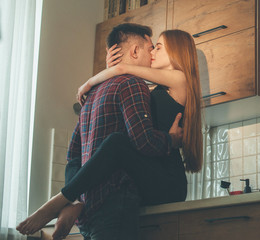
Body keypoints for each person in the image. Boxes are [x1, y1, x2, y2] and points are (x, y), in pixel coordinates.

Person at [16, 23, 203, 239]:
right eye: (152, 47)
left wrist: (92, 81)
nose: (152, 52)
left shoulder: (181, 80)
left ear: (177, 53)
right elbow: (124, 74)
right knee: (115, 143)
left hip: (166, 179)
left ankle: (65, 199)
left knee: (117, 143)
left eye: (158, 47)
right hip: (148, 169)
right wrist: (108, 77)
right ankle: (75, 201)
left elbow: (123, 69)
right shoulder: (151, 88)